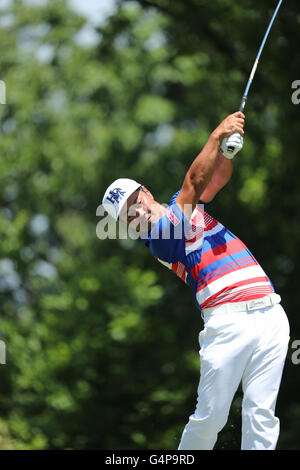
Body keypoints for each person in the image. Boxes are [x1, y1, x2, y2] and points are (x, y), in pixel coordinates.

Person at [101, 112, 290, 450]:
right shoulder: (159, 238)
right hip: (227, 323)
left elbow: (214, 178)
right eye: (128, 215)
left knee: (261, 414)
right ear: (128, 226)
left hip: (271, 314)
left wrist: (227, 153)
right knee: (211, 418)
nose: (137, 212)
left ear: (145, 191)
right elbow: (193, 184)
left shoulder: (179, 204)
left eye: (136, 201)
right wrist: (217, 135)